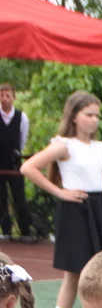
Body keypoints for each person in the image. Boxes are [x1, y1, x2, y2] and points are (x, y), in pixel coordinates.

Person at [20, 91, 102, 308]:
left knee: (101, 271)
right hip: (74, 210)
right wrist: (60, 192)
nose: (94, 120)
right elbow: (28, 168)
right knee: (73, 274)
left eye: (97, 116)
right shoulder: (64, 145)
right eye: (88, 115)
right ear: (75, 116)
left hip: (96, 209)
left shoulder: (99, 148)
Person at [0, 84, 34, 241]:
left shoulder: (22, 117)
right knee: (1, 198)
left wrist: (17, 153)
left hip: (14, 162)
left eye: (7, 95)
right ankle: (6, 230)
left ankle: (25, 230)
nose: (4, 99)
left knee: (19, 196)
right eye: (1, 95)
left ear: (14, 97)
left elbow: (22, 139)